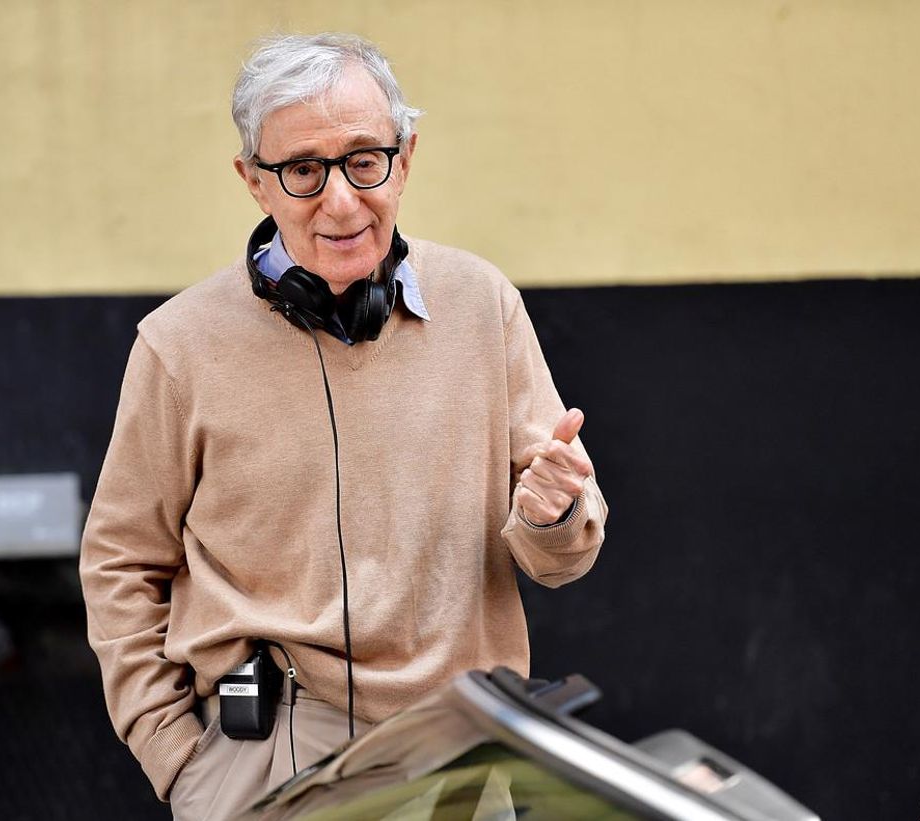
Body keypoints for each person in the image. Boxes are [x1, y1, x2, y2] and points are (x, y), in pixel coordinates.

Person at [79, 32, 607, 820]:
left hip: (465, 749)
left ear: (407, 156)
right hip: (271, 757)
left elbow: (562, 554)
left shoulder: (483, 302)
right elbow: (121, 563)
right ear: (254, 182)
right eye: (302, 170)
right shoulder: (176, 345)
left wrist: (552, 514)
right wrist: (180, 760)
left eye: (365, 160)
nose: (340, 201)